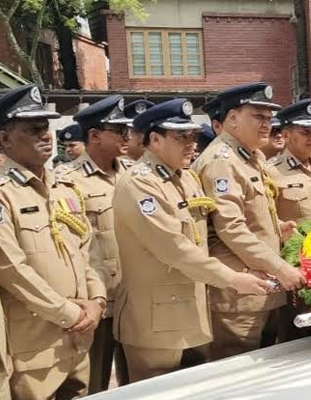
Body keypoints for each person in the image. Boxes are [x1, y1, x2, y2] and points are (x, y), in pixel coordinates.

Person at [112, 98, 270, 381]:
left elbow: (205, 235)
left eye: (193, 136)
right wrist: (234, 278)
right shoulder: (139, 182)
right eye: (181, 136)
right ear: (155, 139)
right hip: (155, 319)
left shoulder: (186, 178)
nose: (191, 144)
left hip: (193, 309)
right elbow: (175, 249)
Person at [0, 85, 106, 399]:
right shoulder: (4, 193)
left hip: (78, 336)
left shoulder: (63, 187)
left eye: (46, 127)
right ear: (4, 138)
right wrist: (68, 313)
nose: (46, 135)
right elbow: (11, 269)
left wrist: (97, 301)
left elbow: (86, 251)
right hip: (35, 345)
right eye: (33, 129)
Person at [192, 83, 305, 359]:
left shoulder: (250, 156)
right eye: (258, 116)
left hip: (261, 287)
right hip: (238, 294)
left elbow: (250, 215)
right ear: (232, 118)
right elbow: (230, 227)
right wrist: (279, 267)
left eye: (268, 118)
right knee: (235, 374)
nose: (267, 124)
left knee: (260, 371)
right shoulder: (222, 161)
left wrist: (278, 229)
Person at [64, 95, 133, 393]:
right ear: (94, 136)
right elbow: (71, 247)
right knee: (94, 382)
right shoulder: (67, 181)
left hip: (137, 297)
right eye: (119, 131)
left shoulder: (135, 174)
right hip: (99, 301)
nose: (127, 137)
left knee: (140, 383)